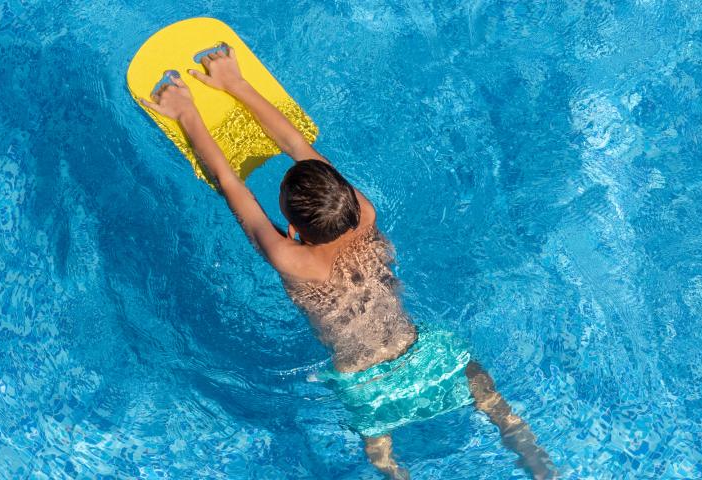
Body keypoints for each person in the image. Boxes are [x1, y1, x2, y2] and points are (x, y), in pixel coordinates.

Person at [136, 45, 557, 479]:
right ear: (346, 197)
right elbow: (298, 144)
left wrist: (186, 112)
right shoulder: (364, 211)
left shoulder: (290, 257)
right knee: (499, 411)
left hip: (362, 377)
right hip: (419, 345)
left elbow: (229, 183)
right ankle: (543, 469)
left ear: (294, 230)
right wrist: (236, 83)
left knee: (386, 464)